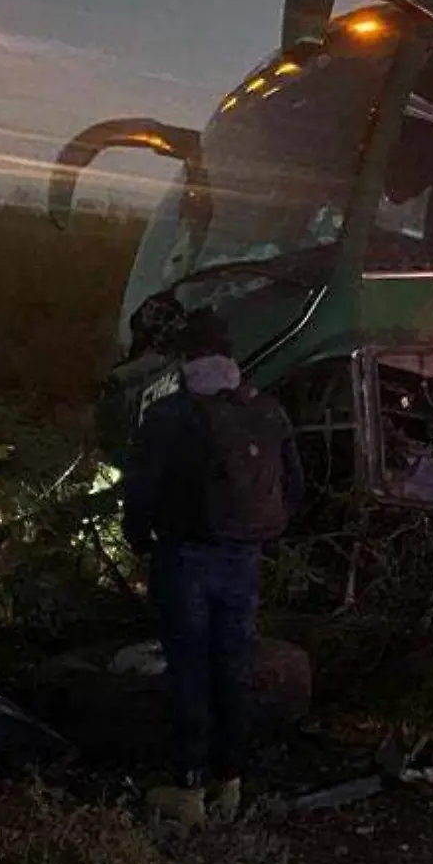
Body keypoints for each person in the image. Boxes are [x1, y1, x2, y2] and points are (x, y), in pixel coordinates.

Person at [121, 309, 304, 817]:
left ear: (185, 358)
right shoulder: (266, 409)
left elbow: (139, 489)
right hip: (244, 559)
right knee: (233, 665)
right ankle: (232, 783)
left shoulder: (170, 415)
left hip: (185, 558)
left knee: (189, 669)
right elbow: (295, 489)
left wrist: (139, 539)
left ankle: (188, 788)